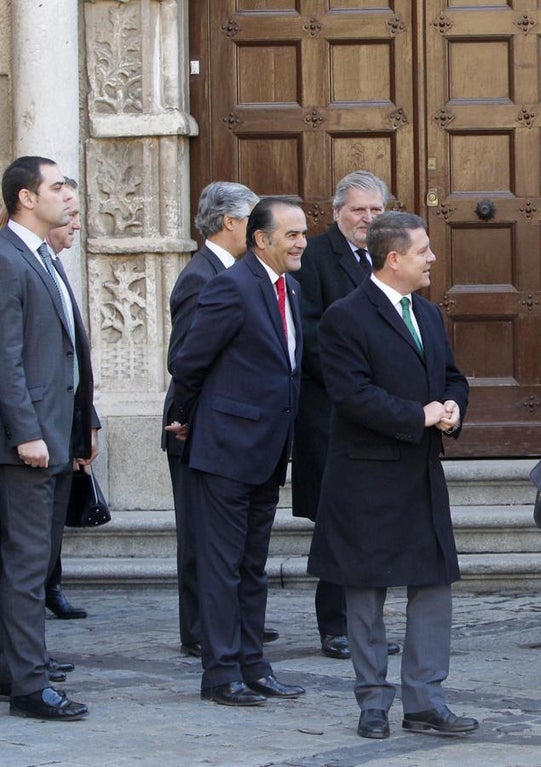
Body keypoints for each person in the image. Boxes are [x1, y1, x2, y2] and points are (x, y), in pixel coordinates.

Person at [307, 211, 476, 740]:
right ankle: (373, 702)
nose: (432, 259)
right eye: (423, 251)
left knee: (433, 589)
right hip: (366, 480)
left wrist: (452, 406)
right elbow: (351, 394)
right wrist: (417, 415)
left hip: (421, 475)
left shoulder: (428, 313)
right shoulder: (345, 316)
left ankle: (426, 702)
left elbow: (453, 377)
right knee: (365, 595)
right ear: (394, 258)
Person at [166, 196, 308, 706]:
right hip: (225, 449)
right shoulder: (230, 285)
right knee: (222, 566)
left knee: (252, 566)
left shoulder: (289, 287)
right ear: (261, 239)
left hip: (268, 450)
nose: (301, 243)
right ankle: (220, 673)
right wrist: (185, 416)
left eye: (303, 234)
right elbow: (188, 361)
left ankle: (254, 665)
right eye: (292, 235)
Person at [0, 156, 96, 720]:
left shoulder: (42, 257)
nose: (68, 195)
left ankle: (13, 668)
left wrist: (83, 424)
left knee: (31, 563)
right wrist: (27, 434)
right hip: (27, 447)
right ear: (26, 198)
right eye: (57, 186)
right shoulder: (8, 259)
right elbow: (6, 359)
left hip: (57, 437)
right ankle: (30, 686)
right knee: (27, 565)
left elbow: (67, 353)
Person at [162, 181, 275, 658]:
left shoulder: (238, 272)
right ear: (231, 222)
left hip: (226, 427)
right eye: (253, 219)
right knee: (200, 537)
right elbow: (186, 359)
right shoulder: (201, 276)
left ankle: (229, 623)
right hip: (197, 428)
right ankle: (201, 630)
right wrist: (187, 417)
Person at [293, 170, 398, 661]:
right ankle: (335, 626)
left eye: (376, 210)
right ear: (337, 211)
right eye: (359, 209)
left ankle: (366, 624)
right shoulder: (314, 257)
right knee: (337, 525)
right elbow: (307, 333)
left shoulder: (389, 257)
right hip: (329, 415)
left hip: (378, 414)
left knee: (371, 524)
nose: (368, 219)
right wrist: (358, 378)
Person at [39, 178, 90, 623]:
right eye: (70, 215)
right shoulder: (20, 265)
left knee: (51, 525)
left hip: (65, 419)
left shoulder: (54, 268)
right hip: (36, 429)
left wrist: (86, 419)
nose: (76, 225)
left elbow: (74, 355)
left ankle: (49, 586)